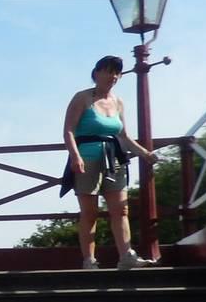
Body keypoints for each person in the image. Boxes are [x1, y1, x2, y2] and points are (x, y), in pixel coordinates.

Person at [60, 55, 157, 271]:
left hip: (114, 159)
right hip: (87, 157)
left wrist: (144, 153)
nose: (113, 76)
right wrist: (75, 156)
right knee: (90, 212)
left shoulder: (118, 102)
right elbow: (68, 130)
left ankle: (126, 256)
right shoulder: (82, 98)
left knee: (121, 210)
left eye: (117, 72)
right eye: (108, 71)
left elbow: (123, 135)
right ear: (96, 73)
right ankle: (89, 260)